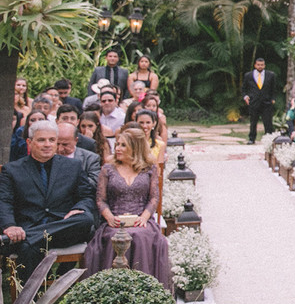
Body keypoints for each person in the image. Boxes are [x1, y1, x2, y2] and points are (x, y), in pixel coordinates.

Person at [0, 120, 97, 282]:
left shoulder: (73, 166)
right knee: (27, 247)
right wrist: (10, 225)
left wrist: (80, 206)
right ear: (29, 143)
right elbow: (4, 201)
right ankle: (29, 302)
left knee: (86, 218)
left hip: (63, 230)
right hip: (29, 226)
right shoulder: (12, 170)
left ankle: (31, 237)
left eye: (52, 140)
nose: (47, 144)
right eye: (41, 140)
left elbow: (87, 196)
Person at [82, 127, 171, 289]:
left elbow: (153, 198)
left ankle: (143, 290)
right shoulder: (108, 169)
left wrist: (144, 217)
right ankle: (113, 290)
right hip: (115, 220)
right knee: (115, 237)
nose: (117, 149)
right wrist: (109, 217)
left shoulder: (149, 168)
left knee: (141, 236)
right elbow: (100, 200)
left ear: (135, 147)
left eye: (123, 145)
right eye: (117, 144)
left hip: (141, 219)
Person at [55, 121, 101, 194]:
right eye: (57, 144)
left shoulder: (90, 158)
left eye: (65, 144)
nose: (60, 149)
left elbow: (95, 184)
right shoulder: (47, 156)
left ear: (76, 140)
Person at [241, 57, 277, 144]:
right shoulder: (248, 75)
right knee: (253, 121)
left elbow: (274, 88)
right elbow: (244, 88)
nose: (260, 66)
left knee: (268, 122)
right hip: (254, 102)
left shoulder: (270, 75)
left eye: (262, 65)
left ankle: (268, 139)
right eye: (258, 65)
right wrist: (245, 97)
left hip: (267, 102)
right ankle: (251, 138)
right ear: (255, 65)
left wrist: (273, 99)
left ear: (264, 65)